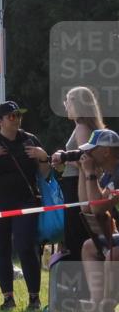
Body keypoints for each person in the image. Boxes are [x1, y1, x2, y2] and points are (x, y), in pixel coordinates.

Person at [0, 101, 51, 311]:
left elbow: (45, 174)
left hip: (25, 202)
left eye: (19, 115)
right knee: (1, 249)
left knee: (26, 247)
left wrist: (43, 157)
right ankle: (8, 298)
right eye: (11, 116)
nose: (17, 119)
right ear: (0, 121)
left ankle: (34, 298)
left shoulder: (30, 140)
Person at [53, 87, 105, 262]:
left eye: (68, 101)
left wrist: (63, 158)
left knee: (76, 235)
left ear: (77, 103)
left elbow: (86, 160)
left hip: (78, 185)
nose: (65, 105)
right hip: (77, 183)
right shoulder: (84, 126)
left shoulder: (82, 127)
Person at [76, 129, 119, 312]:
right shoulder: (109, 175)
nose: (88, 154)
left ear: (106, 151)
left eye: (91, 150)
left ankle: (106, 309)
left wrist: (90, 173)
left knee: (114, 255)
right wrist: (83, 172)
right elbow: (86, 207)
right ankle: (96, 303)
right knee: (89, 247)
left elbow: (98, 209)